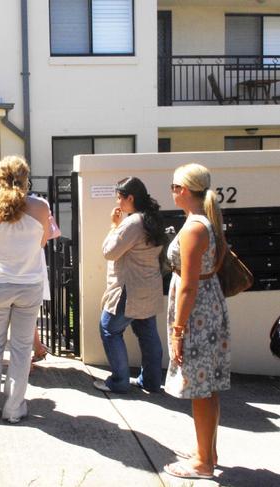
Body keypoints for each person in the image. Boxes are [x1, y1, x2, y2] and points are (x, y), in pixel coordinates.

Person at [163, 164, 229, 481]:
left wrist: (178, 332)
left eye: (174, 186)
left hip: (197, 314)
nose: (172, 191)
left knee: (200, 389)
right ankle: (208, 451)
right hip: (208, 307)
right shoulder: (204, 222)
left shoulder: (194, 228)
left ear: (184, 190)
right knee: (208, 387)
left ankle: (203, 462)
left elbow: (188, 285)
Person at [0, 155, 49, 424]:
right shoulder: (41, 207)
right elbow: (42, 243)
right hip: (29, 284)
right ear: (25, 178)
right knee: (21, 347)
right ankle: (14, 408)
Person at [93, 177, 166, 394]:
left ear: (130, 198)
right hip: (150, 286)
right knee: (147, 332)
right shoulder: (153, 219)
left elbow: (109, 252)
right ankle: (151, 382)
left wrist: (114, 227)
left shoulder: (133, 223)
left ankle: (119, 382)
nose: (118, 202)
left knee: (108, 329)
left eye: (119, 197)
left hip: (130, 289)